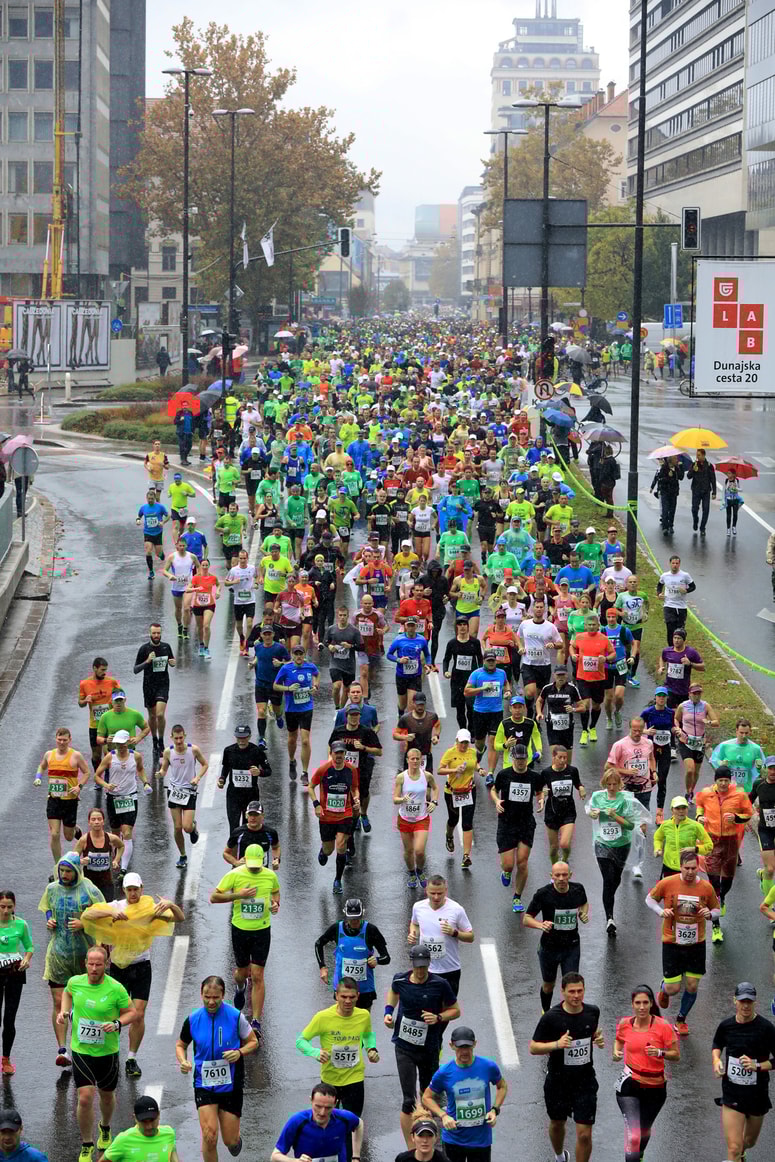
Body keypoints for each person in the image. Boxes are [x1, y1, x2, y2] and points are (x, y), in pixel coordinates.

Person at [81, 872, 184, 1081]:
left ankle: (131, 1058)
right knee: (115, 1013)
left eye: (136, 889)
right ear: (124, 891)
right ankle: (110, 1054)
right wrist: (109, 915)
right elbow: (87, 916)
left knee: (138, 1014)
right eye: (129, 890)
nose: (133, 893)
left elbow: (180, 918)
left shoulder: (150, 908)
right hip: (119, 967)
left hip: (142, 966)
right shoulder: (116, 906)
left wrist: (170, 905)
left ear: (142, 889)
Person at [58, 944, 136, 1162]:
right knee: (84, 1098)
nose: (93, 968)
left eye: (98, 964)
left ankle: (105, 1126)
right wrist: (64, 1012)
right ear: (85, 964)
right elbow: (67, 993)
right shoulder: (76, 982)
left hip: (108, 1052)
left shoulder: (116, 988)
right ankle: (86, 1143)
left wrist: (118, 1023)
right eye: (90, 964)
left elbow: (132, 1012)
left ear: (106, 964)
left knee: (107, 1096)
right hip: (81, 1049)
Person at [176, 975, 258, 1162]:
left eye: (215, 997)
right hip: (204, 1083)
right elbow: (181, 1044)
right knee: (209, 1135)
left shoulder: (236, 1017)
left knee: (230, 1140)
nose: (211, 1002)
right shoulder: (193, 1019)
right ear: (201, 994)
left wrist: (239, 1052)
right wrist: (183, 1061)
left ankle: (235, 1141)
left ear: (223, 995)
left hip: (231, 1084)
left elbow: (253, 1042)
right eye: (207, 997)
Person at [384, 945, 461, 1145]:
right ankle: (412, 1148)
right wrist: (388, 1011)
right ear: (412, 963)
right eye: (417, 967)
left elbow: (455, 1010)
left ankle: (428, 1141)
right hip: (404, 1047)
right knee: (409, 1100)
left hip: (429, 1048)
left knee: (428, 1097)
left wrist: (438, 1017)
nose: (420, 971)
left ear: (429, 964)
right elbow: (393, 992)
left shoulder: (440, 984)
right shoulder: (400, 979)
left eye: (424, 967)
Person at [38, 852, 105, 1068]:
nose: (64, 875)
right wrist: (50, 921)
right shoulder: (52, 889)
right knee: (59, 1002)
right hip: (58, 954)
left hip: (84, 957)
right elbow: (47, 908)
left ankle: (82, 1047)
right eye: (62, 871)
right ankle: (62, 1049)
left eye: (68, 871)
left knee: (80, 1004)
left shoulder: (89, 889)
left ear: (77, 871)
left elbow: (105, 915)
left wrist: (85, 924)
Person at [529, 973, 604, 1162]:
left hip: (585, 1080)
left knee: (584, 1134)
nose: (576, 995)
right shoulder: (551, 1018)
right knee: (557, 1124)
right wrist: (556, 1044)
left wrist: (597, 1038)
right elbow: (533, 1047)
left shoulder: (592, 1012)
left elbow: (591, 1033)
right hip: (558, 1080)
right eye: (571, 991)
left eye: (580, 991)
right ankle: (560, 1156)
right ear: (562, 992)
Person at [210, 843, 281, 1041]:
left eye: (258, 866)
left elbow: (275, 893)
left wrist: (276, 905)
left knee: (258, 975)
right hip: (240, 930)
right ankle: (240, 987)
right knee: (242, 973)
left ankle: (256, 1021)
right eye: (252, 866)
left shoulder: (270, 875)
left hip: (262, 931)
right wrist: (237, 895)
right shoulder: (235, 874)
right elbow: (214, 897)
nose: (255, 869)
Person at [647, 849, 720, 1035]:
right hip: (672, 941)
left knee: (692, 985)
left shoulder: (706, 887)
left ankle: (681, 1019)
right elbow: (650, 899)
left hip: (696, 942)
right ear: (680, 867)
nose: (690, 872)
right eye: (686, 868)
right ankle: (664, 989)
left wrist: (710, 915)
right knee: (673, 988)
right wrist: (661, 912)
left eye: (694, 868)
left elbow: (718, 909)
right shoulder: (668, 883)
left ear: (698, 868)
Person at [296, 978, 379, 1122]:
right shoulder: (323, 1017)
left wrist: (371, 1049)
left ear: (358, 996)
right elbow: (301, 1041)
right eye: (344, 997)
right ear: (336, 995)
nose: (348, 1001)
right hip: (330, 1079)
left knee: (352, 1123)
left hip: (355, 1077)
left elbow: (367, 1035)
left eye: (352, 997)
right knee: (327, 1122)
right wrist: (315, 1053)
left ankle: (350, 1145)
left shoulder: (364, 1015)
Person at [612, 985, 679, 1162]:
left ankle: (639, 1155)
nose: (641, 1007)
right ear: (632, 1004)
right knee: (634, 1136)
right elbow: (618, 1041)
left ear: (651, 1004)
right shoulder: (625, 1024)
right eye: (637, 1003)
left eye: (645, 1003)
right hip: (630, 1085)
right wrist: (616, 1052)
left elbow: (675, 1054)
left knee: (644, 1131)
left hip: (656, 1087)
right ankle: (635, 1154)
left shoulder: (663, 1027)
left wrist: (659, 1052)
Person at [422, 1025, 508, 1162]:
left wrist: (494, 1110)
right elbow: (426, 1097)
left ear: (474, 1044)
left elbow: (502, 1086)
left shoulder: (488, 1066)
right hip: (453, 1139)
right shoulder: (445, 1072)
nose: (464, 1052)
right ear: (451, 1045)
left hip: (481, 1140)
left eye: (467, 1047)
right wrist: (443, 1116)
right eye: (460, 1047)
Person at [712, 982, 775, 1162]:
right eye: (742, 1001)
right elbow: (717, 1044)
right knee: (733, 1148)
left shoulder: (766, 1028)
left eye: (749, 1001)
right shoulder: (726, 1026)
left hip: (757, 1094)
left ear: (755, 1002)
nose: (746, 1005)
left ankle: (741, 1153)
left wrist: (758, 1066)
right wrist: (716, 1060)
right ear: (735, 1001)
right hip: (732, 1092)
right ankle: (736, 1155)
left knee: (748, 1141)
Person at [696, 766, 754, 940]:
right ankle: (716, 926)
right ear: (715, 780)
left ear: (730, 781)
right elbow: (699, 805)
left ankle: (722, 898)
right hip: (711, 840)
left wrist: (736, 818)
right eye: (720, 780)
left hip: (730, 841)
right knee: (714, 883)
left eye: (726, 780)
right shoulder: (706, 793)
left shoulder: (739, 794)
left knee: (727, 880)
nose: (723, 784)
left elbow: (749, 813)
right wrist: (699, 817)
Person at [524, 863, 589, 1012]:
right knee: (549, 984)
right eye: (557, 875)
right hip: (549, 947)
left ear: (570, 875)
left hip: (571, 946)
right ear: (551, 876)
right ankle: (546, 1012)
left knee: (572, 984)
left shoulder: (577, 889)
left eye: (564, 875)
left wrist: (583, 913)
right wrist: (540, 925)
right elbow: (527, 918)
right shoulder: (543, 894)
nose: (561, 879)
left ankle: (569, 1014)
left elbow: (584, 904)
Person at [585, 770, 639, 937]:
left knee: (615, 879)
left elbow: (630, 825)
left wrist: (615, 816)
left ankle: (609, 899)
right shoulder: (597, 797)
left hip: (622, 844)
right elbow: (590, 811)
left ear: (619, 784)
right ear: (604, 783)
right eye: (609, 784)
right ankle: (610, 918)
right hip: (602, 843)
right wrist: (592, 814)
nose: (612, 787)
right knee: (608, 879)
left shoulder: (625, 799)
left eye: (615, 784)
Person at [409, 876, 473, 1010]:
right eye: (432, 893)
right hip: (426, 969)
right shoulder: (418, 907)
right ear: (426, 890)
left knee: (445, 1011)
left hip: (449, 970)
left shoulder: (456, 909)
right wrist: (413, 933)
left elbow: (470, 936)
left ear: (446, 891)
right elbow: (414, 924)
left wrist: (454, 932)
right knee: (425, 1009)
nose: (436, 897)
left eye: (440, 893)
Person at [315, 897, 390, 1012]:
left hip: (364, 989)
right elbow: (318, 944)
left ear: (363, 914)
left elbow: (386, 958)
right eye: (351, 918)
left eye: (357, 918)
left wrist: (377, 960)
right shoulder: (337, 929)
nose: (354, 921)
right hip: (342, 988)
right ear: (345, 914)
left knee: (362, 1024)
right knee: (342, 1022)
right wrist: (322, 967)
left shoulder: (371, 930)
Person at [94, 730, 151, 873]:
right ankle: (116, 859)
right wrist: (106, 785)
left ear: (127, 743)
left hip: (130, 797)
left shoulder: (136, 756)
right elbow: (97, 776)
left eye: (123, 744)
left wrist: (145, 782)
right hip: (113, 798)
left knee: (127, 832)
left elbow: (141, 770)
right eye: (118, 744)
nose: (120, 747)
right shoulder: (109, 757)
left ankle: (124, 868)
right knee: (115, 833)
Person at [606, 717, 655, 879]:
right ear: (629, 728)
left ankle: (637, 865)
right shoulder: (619, 745)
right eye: (634, 730)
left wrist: (654, 772)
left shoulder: (648, 743)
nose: (637, 733)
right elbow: (609, 767)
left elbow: (651, 759)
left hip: (644, 788)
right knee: (625, 826)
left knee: (641, 828)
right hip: (625, 791)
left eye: (640, 730)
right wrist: (627, 772)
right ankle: (621, 856)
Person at [310, 742, 360, 895]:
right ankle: (324, 851)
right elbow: (311, 786)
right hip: (326, 816)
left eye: (341, 753)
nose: (339, 756)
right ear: (331, 753)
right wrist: (316, 804)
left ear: (345, 754)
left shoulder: (351, 770)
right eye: (336, 753)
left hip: (345, 814)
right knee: (329, 849)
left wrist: (356, 798)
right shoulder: (324, 769)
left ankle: (338, 879)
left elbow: (354, 788)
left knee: (341, 845)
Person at [34, 727, 90, 862]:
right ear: (56, 739)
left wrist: (79, 786)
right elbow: (42, 766)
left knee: (69, 837)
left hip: (70, 800)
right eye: (59, 740)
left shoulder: (76, 755)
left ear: (70, 740)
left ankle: (75, 829)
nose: (62, 742)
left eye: (65, 740)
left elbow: (87, 772)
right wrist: (38, 777)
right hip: (54, 799)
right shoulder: (49, 754)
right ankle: (58, 864)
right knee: (54, 834)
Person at [271, 1083, 363, 1162]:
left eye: (328, 1108)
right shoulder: (297, 1121)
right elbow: (275, 1156)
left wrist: (356, 1157)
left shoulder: (344, 1118)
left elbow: (359, 1124)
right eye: (318, 1106)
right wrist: (295, 1161)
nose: (322, 1112)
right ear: (311, 1100)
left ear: (335, 1104)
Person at [158, 725, 209, 868]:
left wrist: (197, 778)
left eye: (181, 738)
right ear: (171, 737)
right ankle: (182, 855)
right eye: (176, 738)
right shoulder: (168, 752)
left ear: (185, 736)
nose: (179, 741)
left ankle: (193, 828)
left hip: (189, 791)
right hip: (174, 791)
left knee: (186, 827)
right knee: (177, 827)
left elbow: (205, 764)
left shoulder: (193, 750)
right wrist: (161, 774)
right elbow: (164, 769)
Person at [328, 704, 382, 835]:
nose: (354, 718)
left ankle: (363, 814)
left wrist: (364, 747)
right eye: (351, 715)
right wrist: (330, 762)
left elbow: (379, 751)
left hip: (363, 766)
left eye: (356, 715)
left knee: (363, 792)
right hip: (344, 768)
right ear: (346, 717)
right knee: (346, 792)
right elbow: (331, 747)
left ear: (360, 717)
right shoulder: (339, 731)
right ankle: (353, 817)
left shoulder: (366, 731)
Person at [274, 644, 320, 784]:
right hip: (291, 709)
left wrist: (315, 686)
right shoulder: (285, 668)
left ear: (304, 655)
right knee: (292, 739)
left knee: (305, 740)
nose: (299, 657)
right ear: (292, 655)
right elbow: (275, 685)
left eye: (301, 654)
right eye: (296, 654)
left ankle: (305, 773)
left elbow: (316, 675)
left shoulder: (310, 667)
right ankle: (292, 761)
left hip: (306, 708)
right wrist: (288, 688)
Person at [437, 730, 483, 868]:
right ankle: (449, 836)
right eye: (461, 742)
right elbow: (439, 770)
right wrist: (454, 770)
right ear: (456, 741)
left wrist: (479, 770)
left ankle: (466, 856)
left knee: (467, 823)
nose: (463, 745)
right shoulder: (450, 753)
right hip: (452, 792)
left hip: (469, 791)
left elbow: (474, 764)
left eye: (466, 742)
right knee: (454, 819)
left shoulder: (472, 752)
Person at [394, 748, 439, 889]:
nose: (414, 761)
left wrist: (434, 802)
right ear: (407, 760)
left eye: (417, 758)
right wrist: (402, 799)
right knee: (408, 851)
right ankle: (412, 873)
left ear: (421, 760)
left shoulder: (427, 776)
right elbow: (395, 799)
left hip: (421, 818)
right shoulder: (401, 777)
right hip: (405, 818)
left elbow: (436, 788)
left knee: (419, 850)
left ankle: (420, 870)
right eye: (412, 758)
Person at [0, 890, 34, 1076]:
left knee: (9, 1019)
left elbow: (29, 946)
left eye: (9, 907)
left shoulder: (21, 924)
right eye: (2, 907)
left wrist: (27, 959)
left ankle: (6, 1058)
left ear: (15, 907)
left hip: (14, 971)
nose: (6, 911)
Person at [569, 612, 616, 746]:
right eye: (589, 625)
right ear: (585, 626)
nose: (591, 627)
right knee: (585, 705)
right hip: (582, 677)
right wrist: (573, 655)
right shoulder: (580, 637)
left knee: (596, 705)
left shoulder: (603, 639)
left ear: (598, 626)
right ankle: (584, 731)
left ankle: (593, 727)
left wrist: (606, 658)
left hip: (598, 678)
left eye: (593, 625)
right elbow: (572, 646)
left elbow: (613, 653)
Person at [536, 747, 586, 863]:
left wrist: (581, 788)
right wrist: (542, 798)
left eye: (565, 758)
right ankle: (555, 870)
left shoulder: (572, 770)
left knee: (564, 844)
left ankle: (564, 859)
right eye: (560, 757)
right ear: (553, 757)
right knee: (554, 848)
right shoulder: (546, 773)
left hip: (568, 811)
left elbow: (578, 783)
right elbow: (538, 791)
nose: (563, 760)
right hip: (552, 812)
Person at [218, 724, 272, 832]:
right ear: (236, 737)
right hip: (233, 794)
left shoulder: (256, 751)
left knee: (248, 826)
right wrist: (222, 779)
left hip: (250, 795)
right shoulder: (229, 751)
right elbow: (226, 767)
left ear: (249, 736)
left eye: (244, 737)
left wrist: (259, 772)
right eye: (239, 737)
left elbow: (268, 771)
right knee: (234, 826)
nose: (241, 740)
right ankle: (234, 848)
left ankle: (245, 848)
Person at [133, 622, 176, 757]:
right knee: (152, 716)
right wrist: (147, 661)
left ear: (161, 633)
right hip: (149, 686)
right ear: (150, 633)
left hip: (163, 684)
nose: (156, 635)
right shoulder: (144, 649)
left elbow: (172, 660)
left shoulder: (166, 647)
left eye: (158, 633)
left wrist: (172, 663)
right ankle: (154, 740)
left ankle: (162, 741)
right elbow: (135, 670)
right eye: (154, 633)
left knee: (159, 714)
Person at [103, 1094, 180, 1162]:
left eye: (152, 1120)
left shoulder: (169, 1134)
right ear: (135, 1118)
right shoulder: (124, 1140)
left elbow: (173, 1155)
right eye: (143, 1121)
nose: (149, 1126)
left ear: (159, 1115)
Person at [653, 795, 713, 880]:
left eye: (684, 808)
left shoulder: (696, 826)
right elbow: (658, 838)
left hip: (688, 869)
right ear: (672, 810)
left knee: (684, 893)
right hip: (668, 866)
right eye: (677, 808)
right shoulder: (665, 825)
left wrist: (694, 849)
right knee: (668, 892)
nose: (681, 811)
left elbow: (709, 846)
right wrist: (657, 849)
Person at [78, 657, 121, 771]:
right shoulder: (85, 684)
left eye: (105, 670)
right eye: (102, 670)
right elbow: (80, 703)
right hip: (95, 725)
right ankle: (98, 774)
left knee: (109, 752)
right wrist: (85, 700)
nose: (104, 672)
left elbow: (121, 696)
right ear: (94, 668)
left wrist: (115, 700)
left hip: (110, 722)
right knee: (96, 755)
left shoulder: (112, 682)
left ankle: (108, 775)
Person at [641, 687, 677, 822]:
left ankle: (659, 812)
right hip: (651, 750)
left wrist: (676, 730)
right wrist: (646, 732)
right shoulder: (648, 712)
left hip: (665, 750)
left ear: (666, 698)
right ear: (655, 697)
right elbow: (635, 727)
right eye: (659, 696)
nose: (661, 698)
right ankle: (645, 810)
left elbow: (672, 726)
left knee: (662, 779)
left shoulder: (669, 712)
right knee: (650, 779)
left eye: (664, 696)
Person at [443, 618, 483, 734]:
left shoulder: (474, 642)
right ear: (456, 627)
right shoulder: (452, 643)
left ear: (468, 627)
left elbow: (480, 659)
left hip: (471, 679)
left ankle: (471, 730)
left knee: (471, 708)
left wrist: (481, 674)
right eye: (459, 625)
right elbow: (446, 659)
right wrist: (445, 671)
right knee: (460, 709)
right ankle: (462, 731)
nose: (462, 627)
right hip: (457, 680)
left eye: (464, 624)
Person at [74, 807, 123, 902]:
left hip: (106, 883)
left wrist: (116, 860)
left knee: (107, 910)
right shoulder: (84, 840)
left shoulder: (111, 838)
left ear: (103, 822)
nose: (96, 822)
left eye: (99, 819)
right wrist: (81, 861)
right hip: (89, 884)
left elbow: (121, 846)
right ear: (89, 822)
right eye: (93, 819)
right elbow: (72, 859)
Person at [710, 718, 766, 795]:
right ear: (736, 731)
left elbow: (762, 770)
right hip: (726, 786)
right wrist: (721, 763)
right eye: (741, 733)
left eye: (746, 733)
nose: (744, 736)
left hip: (746, 787)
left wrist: (759, 767)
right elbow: (714, 760)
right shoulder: (725, 746)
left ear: (750, 732)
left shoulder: (756, 749)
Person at [223, 800, 280, 871]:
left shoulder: (270, 832)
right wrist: (235, 863)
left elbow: (276, 847)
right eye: (250, 814)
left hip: (262, 873)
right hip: (243, 873)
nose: (253, 818)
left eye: (256, 814)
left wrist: (276, 859)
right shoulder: (238, 832)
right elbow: (226, 853)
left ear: (262, 816)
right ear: (246, 816)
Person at [656, 556, 696, 646]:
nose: (675, 565)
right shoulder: (665, 575)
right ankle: (670, 649)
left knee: (680, 631)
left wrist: (686, 590)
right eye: (673, 563)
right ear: (670, 564)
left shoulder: (685, 575)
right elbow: (659, 585)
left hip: (681, 606)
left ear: (679, 564)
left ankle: (679, 649)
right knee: (670, 629)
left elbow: (693, 586)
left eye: (677, 563)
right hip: (669, 606)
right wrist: (659, 594)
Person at [188, 556, 221, 658]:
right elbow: (188, 589)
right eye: (203, 565)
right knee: (200, 627)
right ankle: (201, 645)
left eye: (207, 565)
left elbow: (218, 585)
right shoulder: (196, 578)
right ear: (200, 566)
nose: (205, 567)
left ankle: (206, 648)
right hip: (198, 605)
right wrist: (196, 588)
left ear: (209, 566)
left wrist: (218, 592)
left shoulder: (213, 577)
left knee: (206, 626)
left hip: (209, 605)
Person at [137, 488, 169, 580]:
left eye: (152, 499)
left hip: (158, 532)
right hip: (148, 533)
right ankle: (151, 572)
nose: (150, 500)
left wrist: (163, 522)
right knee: (148, 551)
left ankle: (161, 554)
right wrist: (138, 520)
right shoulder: (143, 507)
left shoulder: (160, 507)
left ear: (155, 499)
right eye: (149, 499)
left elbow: (168, 515)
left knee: (158, 554)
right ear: (146, 498)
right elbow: (139, 515)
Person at [687, 447, 716, 536]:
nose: (697, 457)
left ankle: (703, 527)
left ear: (703, 455)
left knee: (706, 509)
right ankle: (695, 520)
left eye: (699, 455)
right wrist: (693, 470)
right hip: (696, 490)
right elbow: (688, 476)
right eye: (696, 455)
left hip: (706, 490)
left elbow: (713, 479)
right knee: (694, 509)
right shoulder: (694, 464)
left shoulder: (709, 466)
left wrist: (714, 492)